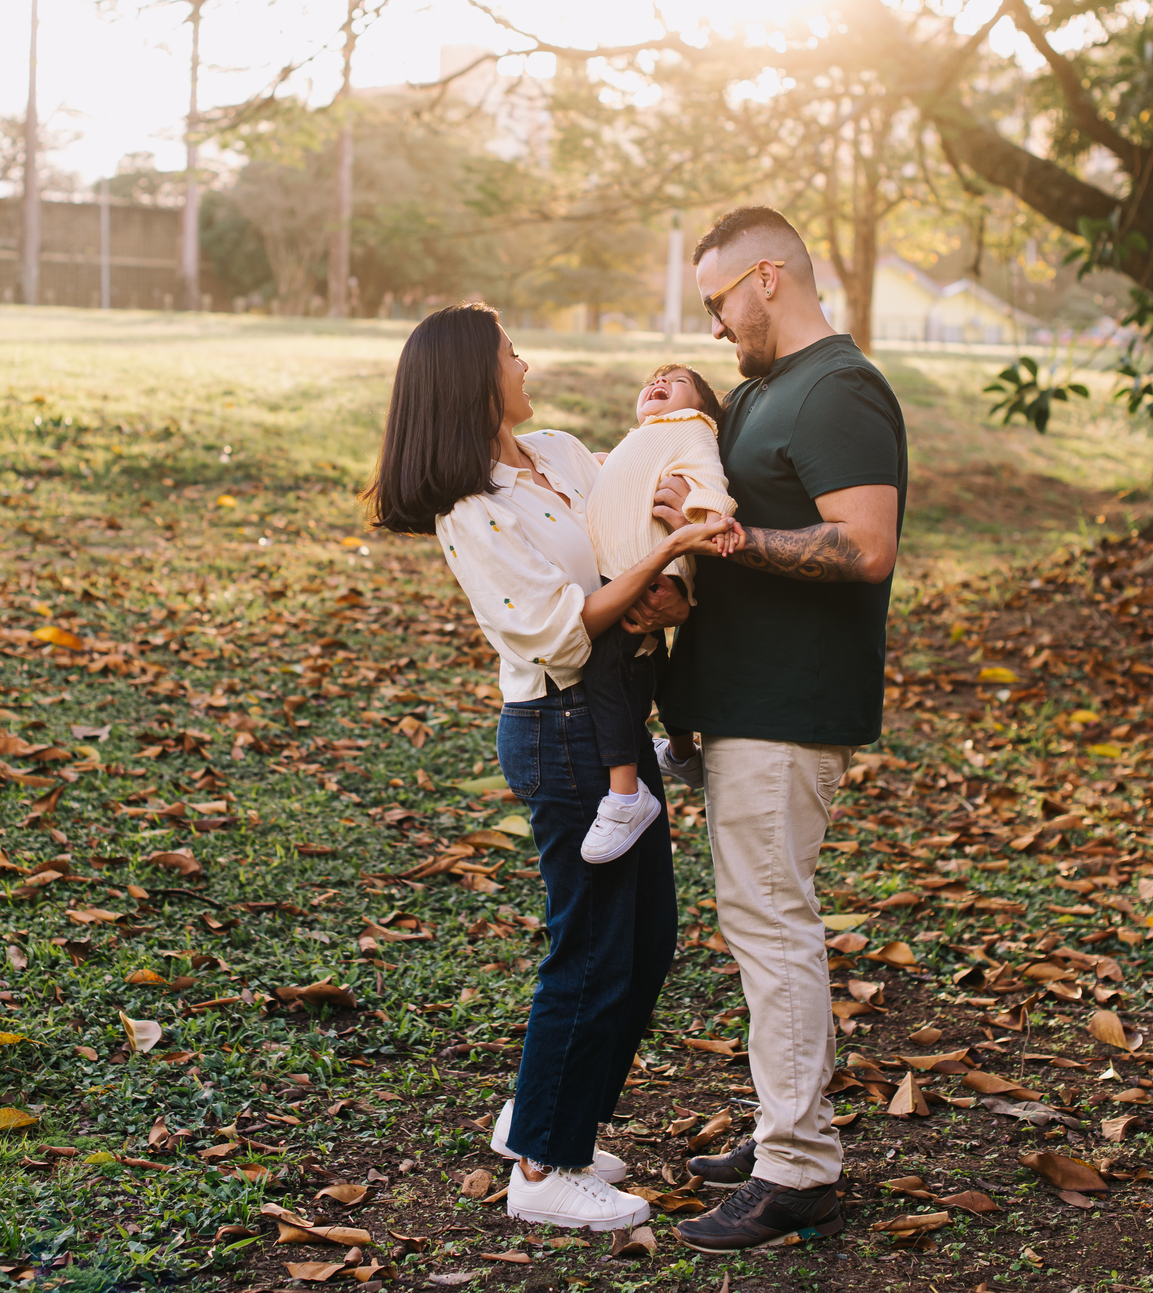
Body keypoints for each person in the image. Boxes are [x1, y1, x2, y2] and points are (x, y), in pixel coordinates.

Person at [365, 303, 733, 1232]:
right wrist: (666, 552)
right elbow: (562, 631)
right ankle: (541, 1166)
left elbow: (632, 522)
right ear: (473, 380)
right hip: (562, 728)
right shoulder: (472, 512)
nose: (524, 365)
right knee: (594, 947)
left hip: (613, 721)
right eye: (510, 354)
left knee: (646, 941)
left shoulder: (563, 454)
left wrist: (669, 544)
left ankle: (548, 1116)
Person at [655, 206, 907, 1255]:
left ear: (767, 277)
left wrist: (726, 536)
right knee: (756, 921)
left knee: (772, 924)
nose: (714, 324)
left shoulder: (839, 388)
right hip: (740, 704)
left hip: (788, 709)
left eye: (718, 301)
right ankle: (780, 1134)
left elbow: (866, 545)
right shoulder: (763, 391)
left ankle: (798, 1169)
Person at [579, 362, 743, 864]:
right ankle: (682, 751)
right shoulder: (644, 437)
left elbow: (708, 476)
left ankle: (626, 796)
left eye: (677, 382)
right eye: (653, 379)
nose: (659, 383)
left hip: (643, 571)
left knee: (605, 669)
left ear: (700, 407)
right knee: (652, 662)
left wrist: (711, 515)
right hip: (628, 568)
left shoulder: (692, 428)